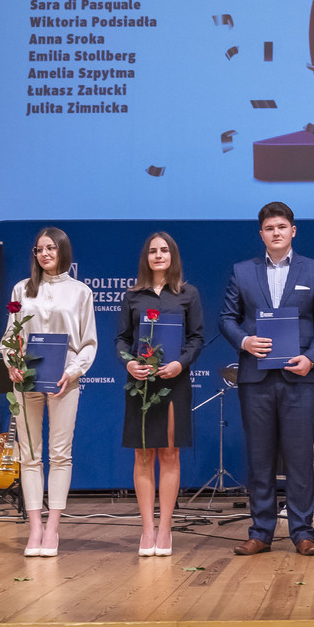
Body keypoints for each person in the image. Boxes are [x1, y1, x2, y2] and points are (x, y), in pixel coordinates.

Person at [219, 202, 314, 557]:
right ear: (261, 234)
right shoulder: (242, 272)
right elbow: (226, 319)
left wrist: (311, 358)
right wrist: (244, 341)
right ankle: (261, 532)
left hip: (299, 377)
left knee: (300, 458)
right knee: (260, 459)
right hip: (256, 379)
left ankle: (302, 532)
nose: (276, 233)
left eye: (282, 227)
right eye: (269, 228)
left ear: (293, 231)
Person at [4, 227, 97, 558]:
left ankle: (53, 528)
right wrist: (12, 363)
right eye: (39, 249)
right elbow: (10, 337)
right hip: (26, 377)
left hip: (64, 379)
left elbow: (88, 343)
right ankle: (35, 529)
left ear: (63, 251)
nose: (44, 254)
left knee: (60, 454)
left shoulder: (80, 292)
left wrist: (72, 372)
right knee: (29, 455)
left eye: (51, 248)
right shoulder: (21, 289)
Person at [118, 231, 204, 557]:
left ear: (172, 256)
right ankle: (147, 529)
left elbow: (197, 338)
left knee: (169, 454)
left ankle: (165, 528)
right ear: (146, 257)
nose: (158, 255)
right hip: (140, 384)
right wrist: (129, 363)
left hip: (174, 382)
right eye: (153, 251)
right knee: (143, 456)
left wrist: (181, 364)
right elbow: (121, 340)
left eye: (164, 250)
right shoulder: (132, 296)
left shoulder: (188, 294)